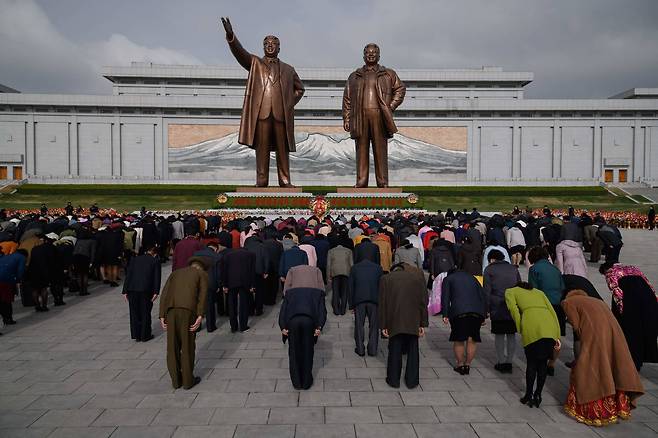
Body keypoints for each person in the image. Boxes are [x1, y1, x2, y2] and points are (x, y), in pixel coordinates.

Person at [221, 17, 305, 187]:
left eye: (273, 44)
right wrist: (231, 36)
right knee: (262, 149)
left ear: (279, 48)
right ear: (263, 47)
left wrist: (288, 104)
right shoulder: (255, 63)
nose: (270, 46)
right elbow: (240, 53)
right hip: (262, 113)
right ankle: (261, 181)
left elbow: (300, 89)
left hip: (281, 114)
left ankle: (285, 181)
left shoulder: (289, 69)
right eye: (267, 44)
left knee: (283, 149)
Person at [561, 290, 644, 426]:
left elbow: (576, 326)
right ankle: (617, 408)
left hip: (595, 336)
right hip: (614, 333)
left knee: (589, 369)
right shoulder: (598, 301)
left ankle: (595, 412)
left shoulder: (568, 302)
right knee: (613, 365)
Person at [342, 43, 406, 187]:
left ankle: (382, 182)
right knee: (361, 150)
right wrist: (347, 118)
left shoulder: (388, 74)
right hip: (360, 116)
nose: (371, 55)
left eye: (374, 53)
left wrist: (391, 107)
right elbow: (347, 98)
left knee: (380, 149)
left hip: (379, 116)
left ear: (379, 55)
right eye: (368, 53)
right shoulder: (354, 76)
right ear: (363, 55)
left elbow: (400, 89)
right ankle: (361, 181)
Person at [505, 281, 561, 408]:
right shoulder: (539, 292)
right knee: (542, 364)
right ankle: (538, 394)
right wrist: (557, 333)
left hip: (532, 325)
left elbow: (513, 309)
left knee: (531, 363)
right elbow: (552, 311)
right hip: (549, 326)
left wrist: (520, 326)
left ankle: (528, 395)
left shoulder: (510, 291)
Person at [159, 256, 208, 390]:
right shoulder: (201, 274)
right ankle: (187, 381)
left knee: (172, 347)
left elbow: (165, 293)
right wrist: (200, 315)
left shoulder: (176, 273)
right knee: (187, 347)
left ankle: (176, 381)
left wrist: (161, 315)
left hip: (171, 311)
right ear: (202, 267)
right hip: (188, 311)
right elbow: (203, 295)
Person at [600, 262, 658, 370]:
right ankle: (645, 357)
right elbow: (648, 284)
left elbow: (617, 293)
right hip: (648, 299)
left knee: (632, 333)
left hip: (632, 303)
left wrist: (621, 313)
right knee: (645, 329)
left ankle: (634, 363)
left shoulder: (610, 273)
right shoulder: (632, 268)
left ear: (605, 271)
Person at [379, 263, 428, 388]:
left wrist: (383, 325)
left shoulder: (386, 279)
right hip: (413, 320)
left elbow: (383, 303)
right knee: (413, 352)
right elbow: (423, 302)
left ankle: (393, 380)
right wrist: (422, 323)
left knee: (394, 350)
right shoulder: (417, 279)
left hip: (394, 320)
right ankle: (412, 381)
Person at [278, 286, 326, 389]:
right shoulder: (318, 293)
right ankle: (306, 382)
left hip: (293, 322)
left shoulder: (289, 293)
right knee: (308, 351)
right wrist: (319, 327)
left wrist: (283, 327)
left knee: (294, 352)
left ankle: (296, 382)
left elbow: (283, 311)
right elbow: (322, 312)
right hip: (309, 321)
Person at [441, 269, 486, 375]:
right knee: (472, 339)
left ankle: (460, 365)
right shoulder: (473, 278)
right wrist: (483, 314)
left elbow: (445, 298)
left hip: (459, 312)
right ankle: (468, 365)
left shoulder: (448, 279)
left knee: (459, 340)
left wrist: (445, 314)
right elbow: (482, 296)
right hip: (476, 312)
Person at [527, 246, 565, 374]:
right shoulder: (555, 269)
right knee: (556, 336)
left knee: (541, 334)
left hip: (543, 306)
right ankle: (552, 363)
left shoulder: (534, 269)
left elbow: (533, 290)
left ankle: (540, 360)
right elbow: (562, 287)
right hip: (558, 305)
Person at [483, 249, 521, 373]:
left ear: (492, 259)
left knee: (499, 335)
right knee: (511, 334)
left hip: (497, 305)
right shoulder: (513, 269)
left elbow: (486, 292)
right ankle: (509, 361)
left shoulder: (489, 270)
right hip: (512, 305)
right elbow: (520, 287)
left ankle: (500, 361)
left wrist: (486, 310)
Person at [122, 245, 161, 342]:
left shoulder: (134, 260)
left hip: (132, 289)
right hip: (146, 290)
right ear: (155, 253)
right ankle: (145, 335)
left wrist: (125, 290)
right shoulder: (155, 261)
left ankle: (136, 335)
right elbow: (157, 277)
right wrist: (156, 291)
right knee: (145, 312)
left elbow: (129, 275)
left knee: (134, 313)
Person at [348, 258, 383, 357]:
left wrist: (351, 304)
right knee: (374, 326)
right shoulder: (378, 268)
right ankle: (372, 350)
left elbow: (351, 286)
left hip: (359, 300)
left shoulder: (355, 268)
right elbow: (381, 286)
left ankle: (360, 349)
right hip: (374, 299)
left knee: (359, 325)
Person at [222, 246, 256, 333]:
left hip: (231, 282)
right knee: (243, 304)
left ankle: (233, 326)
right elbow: (252, 271)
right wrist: (252, 285)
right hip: (244, 281)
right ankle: (243, 326)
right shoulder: (250, 255)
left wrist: (225, 284)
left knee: (232, 305)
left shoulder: (228, 255)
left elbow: (224, 270)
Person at [0, 249, 26, 327]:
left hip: (4, 280)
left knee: (2, 301)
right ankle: (8, 318)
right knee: (7, 301)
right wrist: (17, 279)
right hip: (6, 281)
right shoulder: (21, 257)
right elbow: (21, 270)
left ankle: (6, 318)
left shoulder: (5, 257)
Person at [326, 241, 353, 315]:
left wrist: (328, 276)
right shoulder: (349, 251)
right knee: (345, 292)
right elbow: (351, 264)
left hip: (335, 272)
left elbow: (328, 264)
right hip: (346, 272)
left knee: (335, 291)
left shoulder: (331, 251)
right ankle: (343, 310)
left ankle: (336, 310)